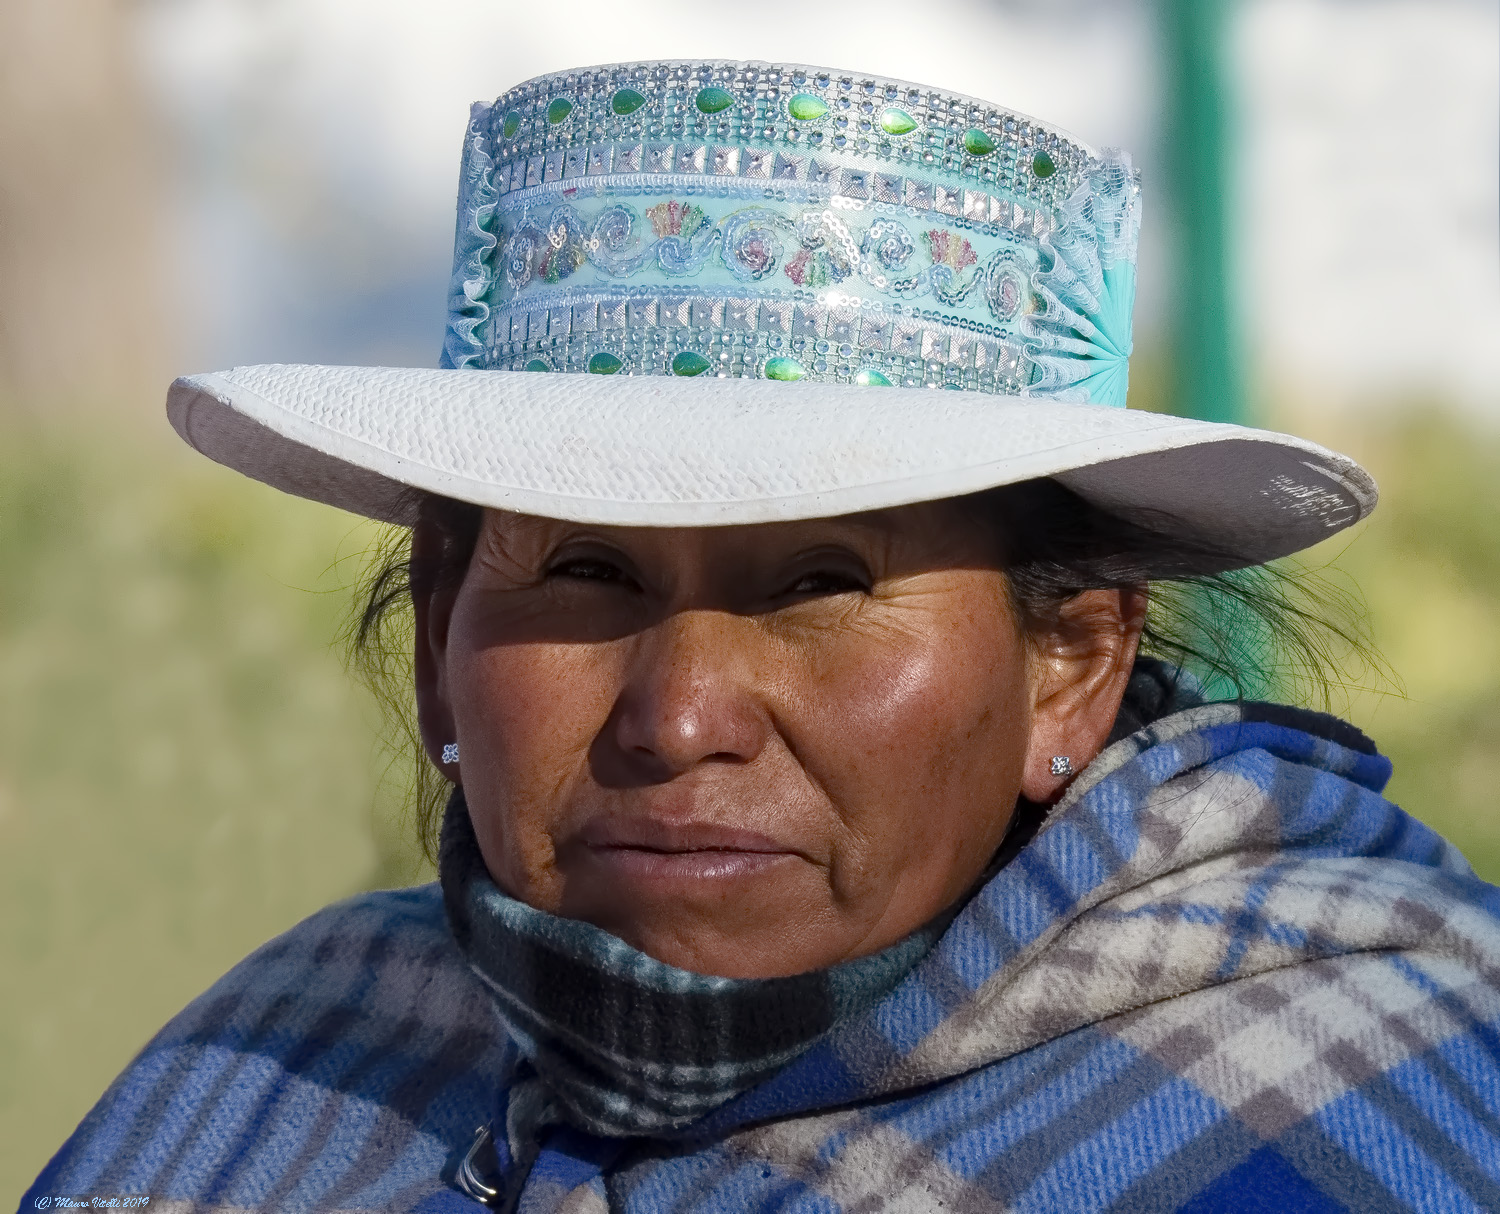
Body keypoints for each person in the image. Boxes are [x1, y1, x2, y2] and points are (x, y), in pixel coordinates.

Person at [24, 60, 1500, 1214]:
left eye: (819, 586)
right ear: (434, 650)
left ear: (1074, 663)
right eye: (588, 569)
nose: (678, 716)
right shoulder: (284, 1068)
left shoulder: (1364, 1106)